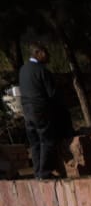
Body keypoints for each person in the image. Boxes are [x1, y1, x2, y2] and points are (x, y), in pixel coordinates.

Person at [18, 45, 59, 181]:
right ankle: (44, 172)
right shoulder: (42, 70)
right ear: (38, 53)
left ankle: (37, 172)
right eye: (45, 53)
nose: (48, 56)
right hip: (40, 109)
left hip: (27, 110)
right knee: (46, 140)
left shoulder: (23, 69)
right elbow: (52, 93)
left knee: (34, 142)